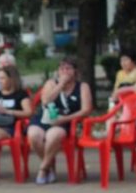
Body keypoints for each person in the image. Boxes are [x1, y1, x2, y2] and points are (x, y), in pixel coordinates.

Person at [27, 56, 93, 185]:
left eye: (68, 68)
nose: (64, 71)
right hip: (44, 119)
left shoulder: (83, 87)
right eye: (62, 68)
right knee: (33, 135)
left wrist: (64, 119)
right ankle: (50, 168)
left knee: (53, 135)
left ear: (75, 71)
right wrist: (60, 85)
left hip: (66, 122)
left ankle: (43, 169)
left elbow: (86, 110)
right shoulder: (51, 83)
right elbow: (45, 101)